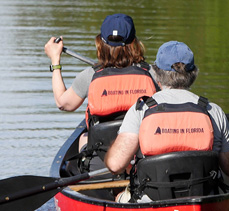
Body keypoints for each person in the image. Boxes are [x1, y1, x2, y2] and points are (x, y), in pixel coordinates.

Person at [105, 40, 229, 195]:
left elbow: (115, 164)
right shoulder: (213, 111)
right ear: (193, 74)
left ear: (156, 73)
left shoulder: (141, 110)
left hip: (153, 200)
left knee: (119, 197)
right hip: (203, 197)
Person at [44, 14, 158, 151]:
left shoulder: (90, 76)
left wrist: (55, 61)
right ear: (135, 43)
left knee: (84, 137)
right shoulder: (153, 74)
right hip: (140, 153)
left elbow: (63, 104)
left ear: (100, 43)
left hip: (101, 155)